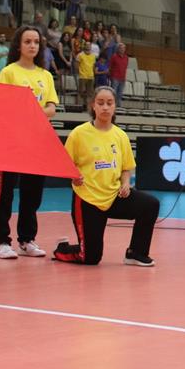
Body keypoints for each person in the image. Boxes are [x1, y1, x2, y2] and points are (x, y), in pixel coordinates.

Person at [53, 87, 159, 267]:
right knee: (91, 258)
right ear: (93, 105)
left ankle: (136, 253)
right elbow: (65, 164)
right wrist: (74, 176)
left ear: (115, 106)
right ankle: (62, 249)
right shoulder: (79, 134)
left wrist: (125, 183)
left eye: (109, 103)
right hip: (88, 199)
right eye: (100, 103)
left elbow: (126, 168)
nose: (105, 107)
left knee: (150, 204)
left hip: (114, 196)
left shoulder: (120, 136)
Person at [0, 26, 59, 258]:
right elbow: (3, 104)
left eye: (36, 42)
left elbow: (51, 108)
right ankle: (1, 241)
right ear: (18, 45)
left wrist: (31, 111)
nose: (32, 45)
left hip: (37, 141)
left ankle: (27, 239)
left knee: (32, 193)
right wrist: (28, 111)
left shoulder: (45, 75)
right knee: (5, 193)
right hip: (11, 140)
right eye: (27, 41)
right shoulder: (9, 72)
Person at [76, 43, 97, 109]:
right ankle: (80, 106)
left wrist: (94, 74)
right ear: (84, 46)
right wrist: (79, 72)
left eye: (89, 45)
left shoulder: (93, 56)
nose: (88, 46)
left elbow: (93, 66)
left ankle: (88, 107)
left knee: (90, 93)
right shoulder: (80, 55)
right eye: (87, 45)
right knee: (81, 92)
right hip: (82, 76)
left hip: (90, 76)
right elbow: (77, 65)